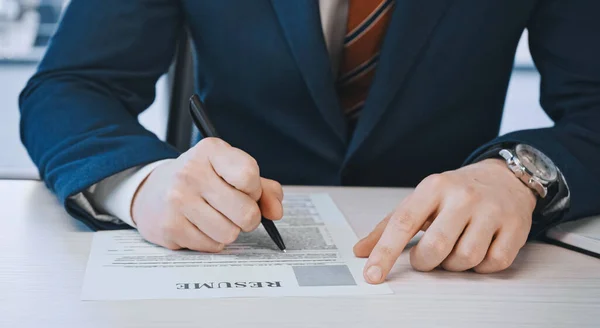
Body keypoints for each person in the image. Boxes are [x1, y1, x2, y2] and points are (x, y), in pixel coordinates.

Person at [19, 0, 600, 284]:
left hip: (441, 272)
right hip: (232, 267)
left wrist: (523, 174)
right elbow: (71, 86)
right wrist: (142, 183)